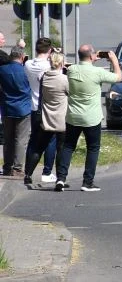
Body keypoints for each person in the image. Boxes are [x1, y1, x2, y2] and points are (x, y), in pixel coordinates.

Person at [58, 45, 122, 192]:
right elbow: (118, 78)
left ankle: (61, 178)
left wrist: (90, 58)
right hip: (91, 117)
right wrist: (114, 61)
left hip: (73, 116)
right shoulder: (97, 72)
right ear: (92, 56)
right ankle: (87, 182)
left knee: (68, 146)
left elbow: (64, 65)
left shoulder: (72, 70)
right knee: (92, 148)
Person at [24, 50, 67, 187]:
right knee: (61, 148)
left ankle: (28, 174)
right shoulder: (64, 79)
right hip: (61, 117)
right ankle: (60, 178)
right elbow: (70, 92)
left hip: (46, 116)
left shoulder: (44, 77)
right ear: (61, 63)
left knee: (39, 147)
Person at [0, 49, 33, 177]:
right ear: (22, 56)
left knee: (8, 139)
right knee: (21, 139)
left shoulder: (2, 70)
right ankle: (18, 168)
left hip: (7, 108)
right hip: (23, 108)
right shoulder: (25, 70)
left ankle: (7, 167)